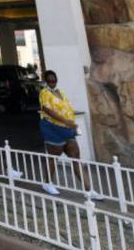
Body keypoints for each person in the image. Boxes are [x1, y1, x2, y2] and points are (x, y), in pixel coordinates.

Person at [39, 70, 104, 201]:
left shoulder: (60, 92)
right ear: (46, 81)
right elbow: (46, 109)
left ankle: (89, 190)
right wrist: (64, 120)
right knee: (53, 158)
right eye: (50, 81)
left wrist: (71, 122)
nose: (52, 83)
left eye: (54, 80)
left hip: (68, 129)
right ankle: (47, 183)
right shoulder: (44, 93)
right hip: (53, 129)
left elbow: (66, 108)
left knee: (76, 158)